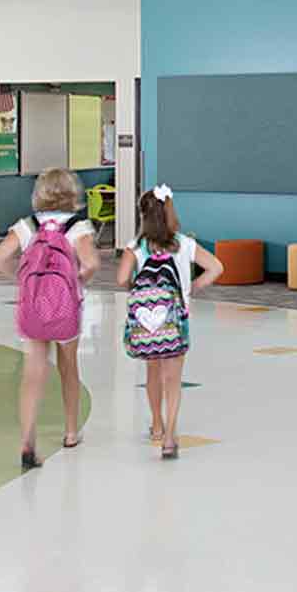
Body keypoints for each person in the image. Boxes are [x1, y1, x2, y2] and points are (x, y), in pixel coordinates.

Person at [0, 168, 99, 469]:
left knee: (32, 373)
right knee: (69, 368)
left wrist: (23, 279)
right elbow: (90, 264)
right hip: (65, 309)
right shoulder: (79, 227)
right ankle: (71, 432)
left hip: (33, 307)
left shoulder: (27, 225)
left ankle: (27, 439)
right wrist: (74, 281)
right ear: (71, 193)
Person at [117, 185, 222, 458]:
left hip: (146, 323)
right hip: (177, 321)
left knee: (152, 372)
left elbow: (120, 279)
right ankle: (171, 436)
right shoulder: (184, 243)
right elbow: (216, 267)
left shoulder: (135, 248)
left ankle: (156, 423)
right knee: (173, 378)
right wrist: (192, 287)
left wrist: (136, 290)